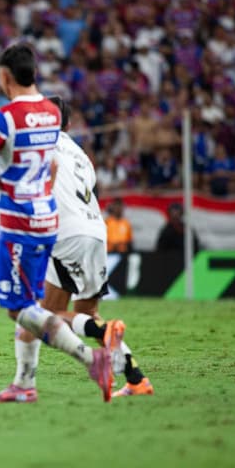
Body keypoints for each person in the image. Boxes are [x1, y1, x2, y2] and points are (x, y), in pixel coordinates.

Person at [0, 43, 121, 403]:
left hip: (18, 222)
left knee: (19, 308)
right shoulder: (52, 113)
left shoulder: (3, 118)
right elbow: (50, 166)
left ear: (5, 77)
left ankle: (91, 357)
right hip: (47, 218)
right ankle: (24, 383)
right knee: (33, 303)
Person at [39, 96, 153, 399]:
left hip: (66, 233)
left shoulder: (41, 145)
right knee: (87, 314)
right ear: (69, 124)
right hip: (96, 232)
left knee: (44, 316)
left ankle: (106, 332)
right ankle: (136, 378)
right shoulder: (81, 155)